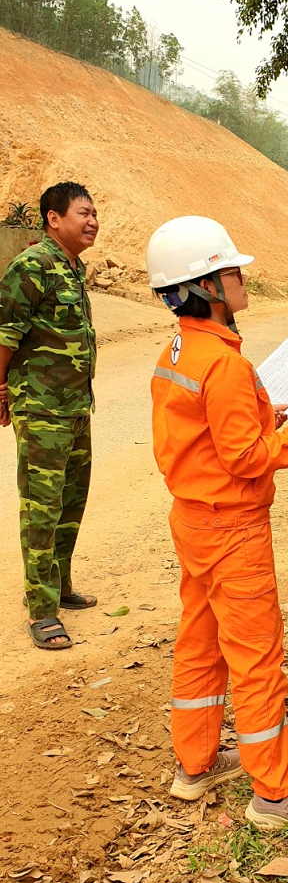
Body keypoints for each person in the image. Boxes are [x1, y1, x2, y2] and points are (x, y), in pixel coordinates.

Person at [148, 215, 288, 831]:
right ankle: (274, 794)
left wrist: (268, 412)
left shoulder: (179, 351)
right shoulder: (222, 363)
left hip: (192, 517)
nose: (241, 277)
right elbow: (244, 457)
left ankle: (194, 764)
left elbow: (208, 433)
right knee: (255, 655)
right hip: (231, 527)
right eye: (231, 270)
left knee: (199, 640)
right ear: (205, 287)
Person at [0, 182, 100, 651]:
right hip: (41, 410)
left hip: (75, 407)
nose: (93, 221)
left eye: (95, 213)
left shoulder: (73, 268)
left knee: (70, 504)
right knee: (41, 508)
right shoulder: (32, 265)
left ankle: (58, 586)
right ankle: (41, 612)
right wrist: (1, 388)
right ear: (53, 219)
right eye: (83, 212)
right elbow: (5, 334)